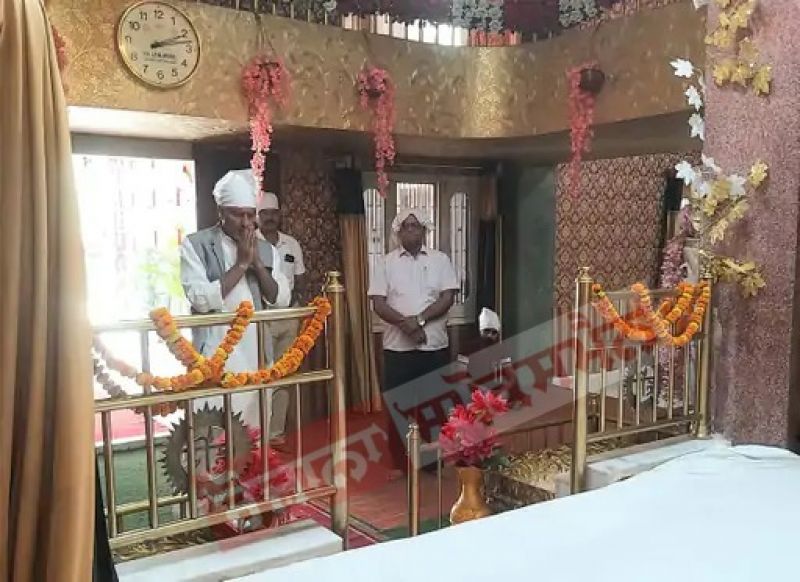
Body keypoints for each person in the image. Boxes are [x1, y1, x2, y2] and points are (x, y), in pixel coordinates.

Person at [180, 169, 291, 433]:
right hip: (214, 357)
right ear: (220, 212)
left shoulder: (266, 250)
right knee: (211, 438)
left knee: (253, 439)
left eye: (250, 215)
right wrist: (240, 264)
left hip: (256, 357)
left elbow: (281, 300)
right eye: (237, 214)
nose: (245, 223)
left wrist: (258, 266)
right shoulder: (196, 245)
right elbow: (200, 299)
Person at [368, 209, 459, 474]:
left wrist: (418, 321)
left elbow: (447, 298)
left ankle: (432, 460)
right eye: (405, 227)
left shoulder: (441, 260)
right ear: (397, 233)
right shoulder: (386, 263)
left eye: (415, 226)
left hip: (433, 346)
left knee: (434, 406)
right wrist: (405, 326)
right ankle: (400, 462)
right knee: (398, 405)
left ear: (424, 231)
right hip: (398, 348)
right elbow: (378, 303)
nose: (411, 231)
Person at [257, 191, 307, 443]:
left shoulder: (291, 244)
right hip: (261, 317)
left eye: (273, 213)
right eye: (264, 213)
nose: (269, 218)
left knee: (284, 374)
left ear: (279, 215)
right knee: (262, 373)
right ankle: (258, 433)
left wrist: (294, 304)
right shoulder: (251, 243)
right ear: (257, 216)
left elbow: (299, 277)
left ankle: (276, 434)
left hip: (289, 316)